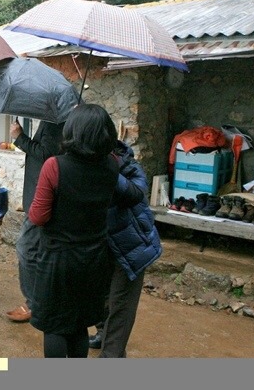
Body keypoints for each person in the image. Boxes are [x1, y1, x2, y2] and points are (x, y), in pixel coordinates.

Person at [27, 104, 144, 357]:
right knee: (78, 324)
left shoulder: (54, 166)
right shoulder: (112, 165)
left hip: (58, 260)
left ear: (71, 131)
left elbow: (38, 216)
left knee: (55, 326)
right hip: (93, 258)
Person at [89, 140, 162, 357]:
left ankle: (111, 355)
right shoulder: (83, 162)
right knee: (100, 294)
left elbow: (137, 192)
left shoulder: (126, 163)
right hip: (102, 243)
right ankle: (103, 333)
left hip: (131, 245)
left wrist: (107, 169)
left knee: (121, 303)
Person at [6, 118, 65, 323]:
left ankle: (34, 304)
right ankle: (44, 300)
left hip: (42, 200)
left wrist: (20, 137)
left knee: (26, 247)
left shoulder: (54, 123)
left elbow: (47, 154)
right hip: (39, 197)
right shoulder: (51, 121)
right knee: (41, 251)